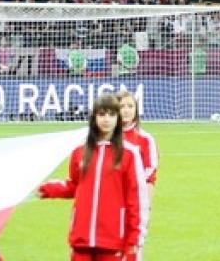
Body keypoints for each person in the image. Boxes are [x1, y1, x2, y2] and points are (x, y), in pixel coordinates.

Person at [38, 94, 146, 261]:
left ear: (118, 119)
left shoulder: (129, 154)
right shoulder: (80, 151)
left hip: (113, 240)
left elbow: (136, 199)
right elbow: (75, 185)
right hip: (82, 238)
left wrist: (134, 238)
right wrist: (47, 189)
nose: (106, 119)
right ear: (94, 117)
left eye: (111, 114)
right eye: (101, 114)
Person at [116, 91, 158, 258]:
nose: (126, 110)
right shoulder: (105, 138)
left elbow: (150, 176)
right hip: (110, 202)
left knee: (134, 248)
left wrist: (145, 207)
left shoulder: (146, 139)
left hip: (135, 203)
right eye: (122, 106)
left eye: (130, 106)